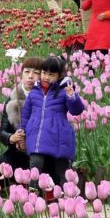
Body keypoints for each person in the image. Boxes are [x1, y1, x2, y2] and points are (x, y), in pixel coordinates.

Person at [21, 57, 85, 187]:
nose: (46, 77)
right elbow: (25, 114)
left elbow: (76, 111)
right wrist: (21, 129)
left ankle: (68, 196)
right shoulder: (34, 92)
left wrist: (72, 96)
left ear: (59, 76)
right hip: (37, 136)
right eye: (44, 73)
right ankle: (32, 194)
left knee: (63, 169)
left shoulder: (63, 91)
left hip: (58, 135)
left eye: (51, 74)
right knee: (35, 165)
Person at [0, 57, 43, 176]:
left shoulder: (46, 99)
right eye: (27, 72)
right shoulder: (12, 100)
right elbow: (2, 132)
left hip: (41, 151)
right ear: (21, 75)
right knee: (3, 163)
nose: (31, 76)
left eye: (36, 73)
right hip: (17, 152)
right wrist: (11, 137)